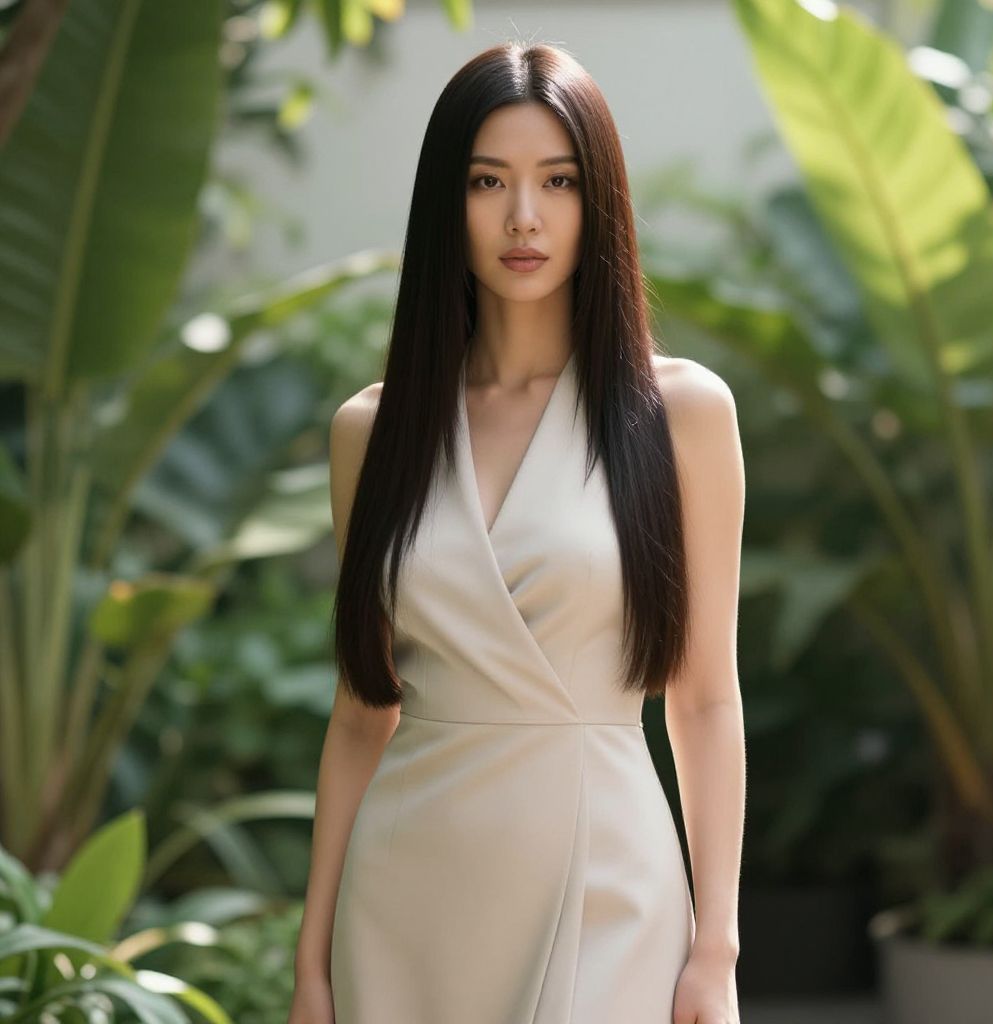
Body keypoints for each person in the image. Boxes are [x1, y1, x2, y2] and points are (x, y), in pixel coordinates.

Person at [287, 40, 746, 1024]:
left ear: (600, 201)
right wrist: (313, 962)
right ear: (445, 203)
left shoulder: (682, 417)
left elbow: (704, 700)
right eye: (488, 180)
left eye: (558, 181)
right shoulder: (372, 433)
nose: (523, 217)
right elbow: (364, 709)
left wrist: (716, 946)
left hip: (608, 880)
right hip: (405, 899)